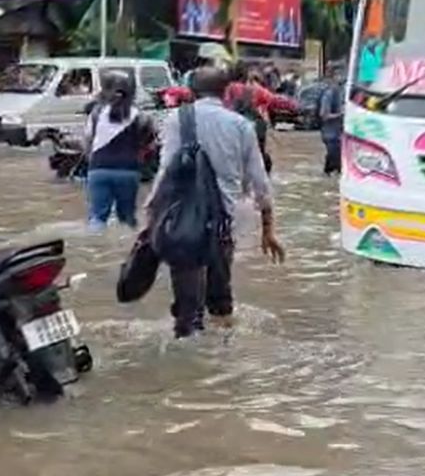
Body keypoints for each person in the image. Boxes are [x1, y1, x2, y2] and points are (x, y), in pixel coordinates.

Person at [146, 66, 284, 338]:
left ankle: (189, 353)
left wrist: (152, 213)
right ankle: (223, 351)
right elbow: (260, 182)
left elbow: (164, 171)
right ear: (225, 92)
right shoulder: (240, 125)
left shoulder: (176, 120)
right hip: (224, 222)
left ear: (191, 92)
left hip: (181, 220)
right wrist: (268, 231)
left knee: (187, 305)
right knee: (220, 302)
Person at [85, 70, 157, 232]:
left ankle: (94, 248)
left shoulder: (96, 113)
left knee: (97, 217)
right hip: (128, 170)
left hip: (98, 169)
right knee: (127, 218)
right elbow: (151, 145)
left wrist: (92, 161)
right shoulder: (142, 117)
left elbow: (88, 141)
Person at [319, 65, 345, 176]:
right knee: (334, 162)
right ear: (333, 77)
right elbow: (323, 115)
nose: (341, 77)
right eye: (339, 75)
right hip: (330, 134)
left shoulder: (339, 91)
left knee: (338, 165)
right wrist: (341, 115)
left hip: (337, 134)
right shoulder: (329, 93)